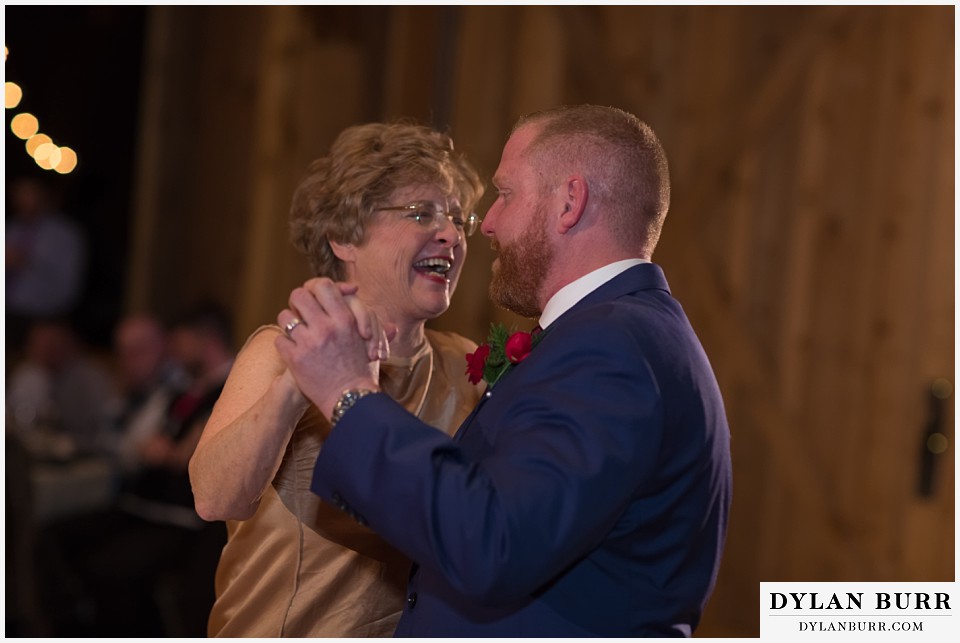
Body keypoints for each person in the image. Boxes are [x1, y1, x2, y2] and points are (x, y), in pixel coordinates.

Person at [276, 105, 733, 636]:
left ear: (569, 202)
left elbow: (493, 542)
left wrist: (349, 393)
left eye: (506, 193)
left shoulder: (610, 349)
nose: (486, 222)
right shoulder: (624, 333)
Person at [188, 122, 486, 636]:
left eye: (459, 219)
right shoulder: (278, 351)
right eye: (422, 214)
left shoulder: (466, 364)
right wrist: (301, 380)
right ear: (344, 237)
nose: (452, 235)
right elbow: (216, 498)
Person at [35, 301, 235, 637]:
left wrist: (169, 452)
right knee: (52, 537)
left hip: (183, 520)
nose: (173, 351)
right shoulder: (185, 388)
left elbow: (195, 453)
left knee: (107, 569)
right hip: (142, 505)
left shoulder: (230, 388)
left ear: (206, 340)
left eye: (181, 342)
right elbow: (139, 443)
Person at [5, 175, 87, 354]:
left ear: (43, 196)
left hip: (44, 318)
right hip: (9, 313)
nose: (23, 201)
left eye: (28, 194)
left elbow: (68, 283)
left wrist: (28, 262)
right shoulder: (11, 229)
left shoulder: (65, 235)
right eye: (18, 195)